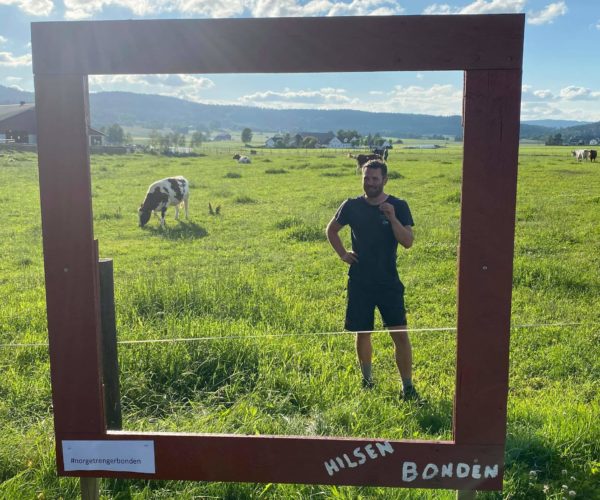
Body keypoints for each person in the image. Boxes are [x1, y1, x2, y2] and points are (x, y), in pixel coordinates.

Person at [326, 159, 420, 401]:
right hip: (360, 280)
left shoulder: (398, 205)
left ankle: (407, 387)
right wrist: (343, 254)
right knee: (363, 332)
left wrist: (393, 218)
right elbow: (331, 230)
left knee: (400, 334)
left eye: (375, 179)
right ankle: (367, 381)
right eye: (366, 178)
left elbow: (407, 241)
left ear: (385, 180)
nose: (370, 183)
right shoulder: (351, 205)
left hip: (388, 281)